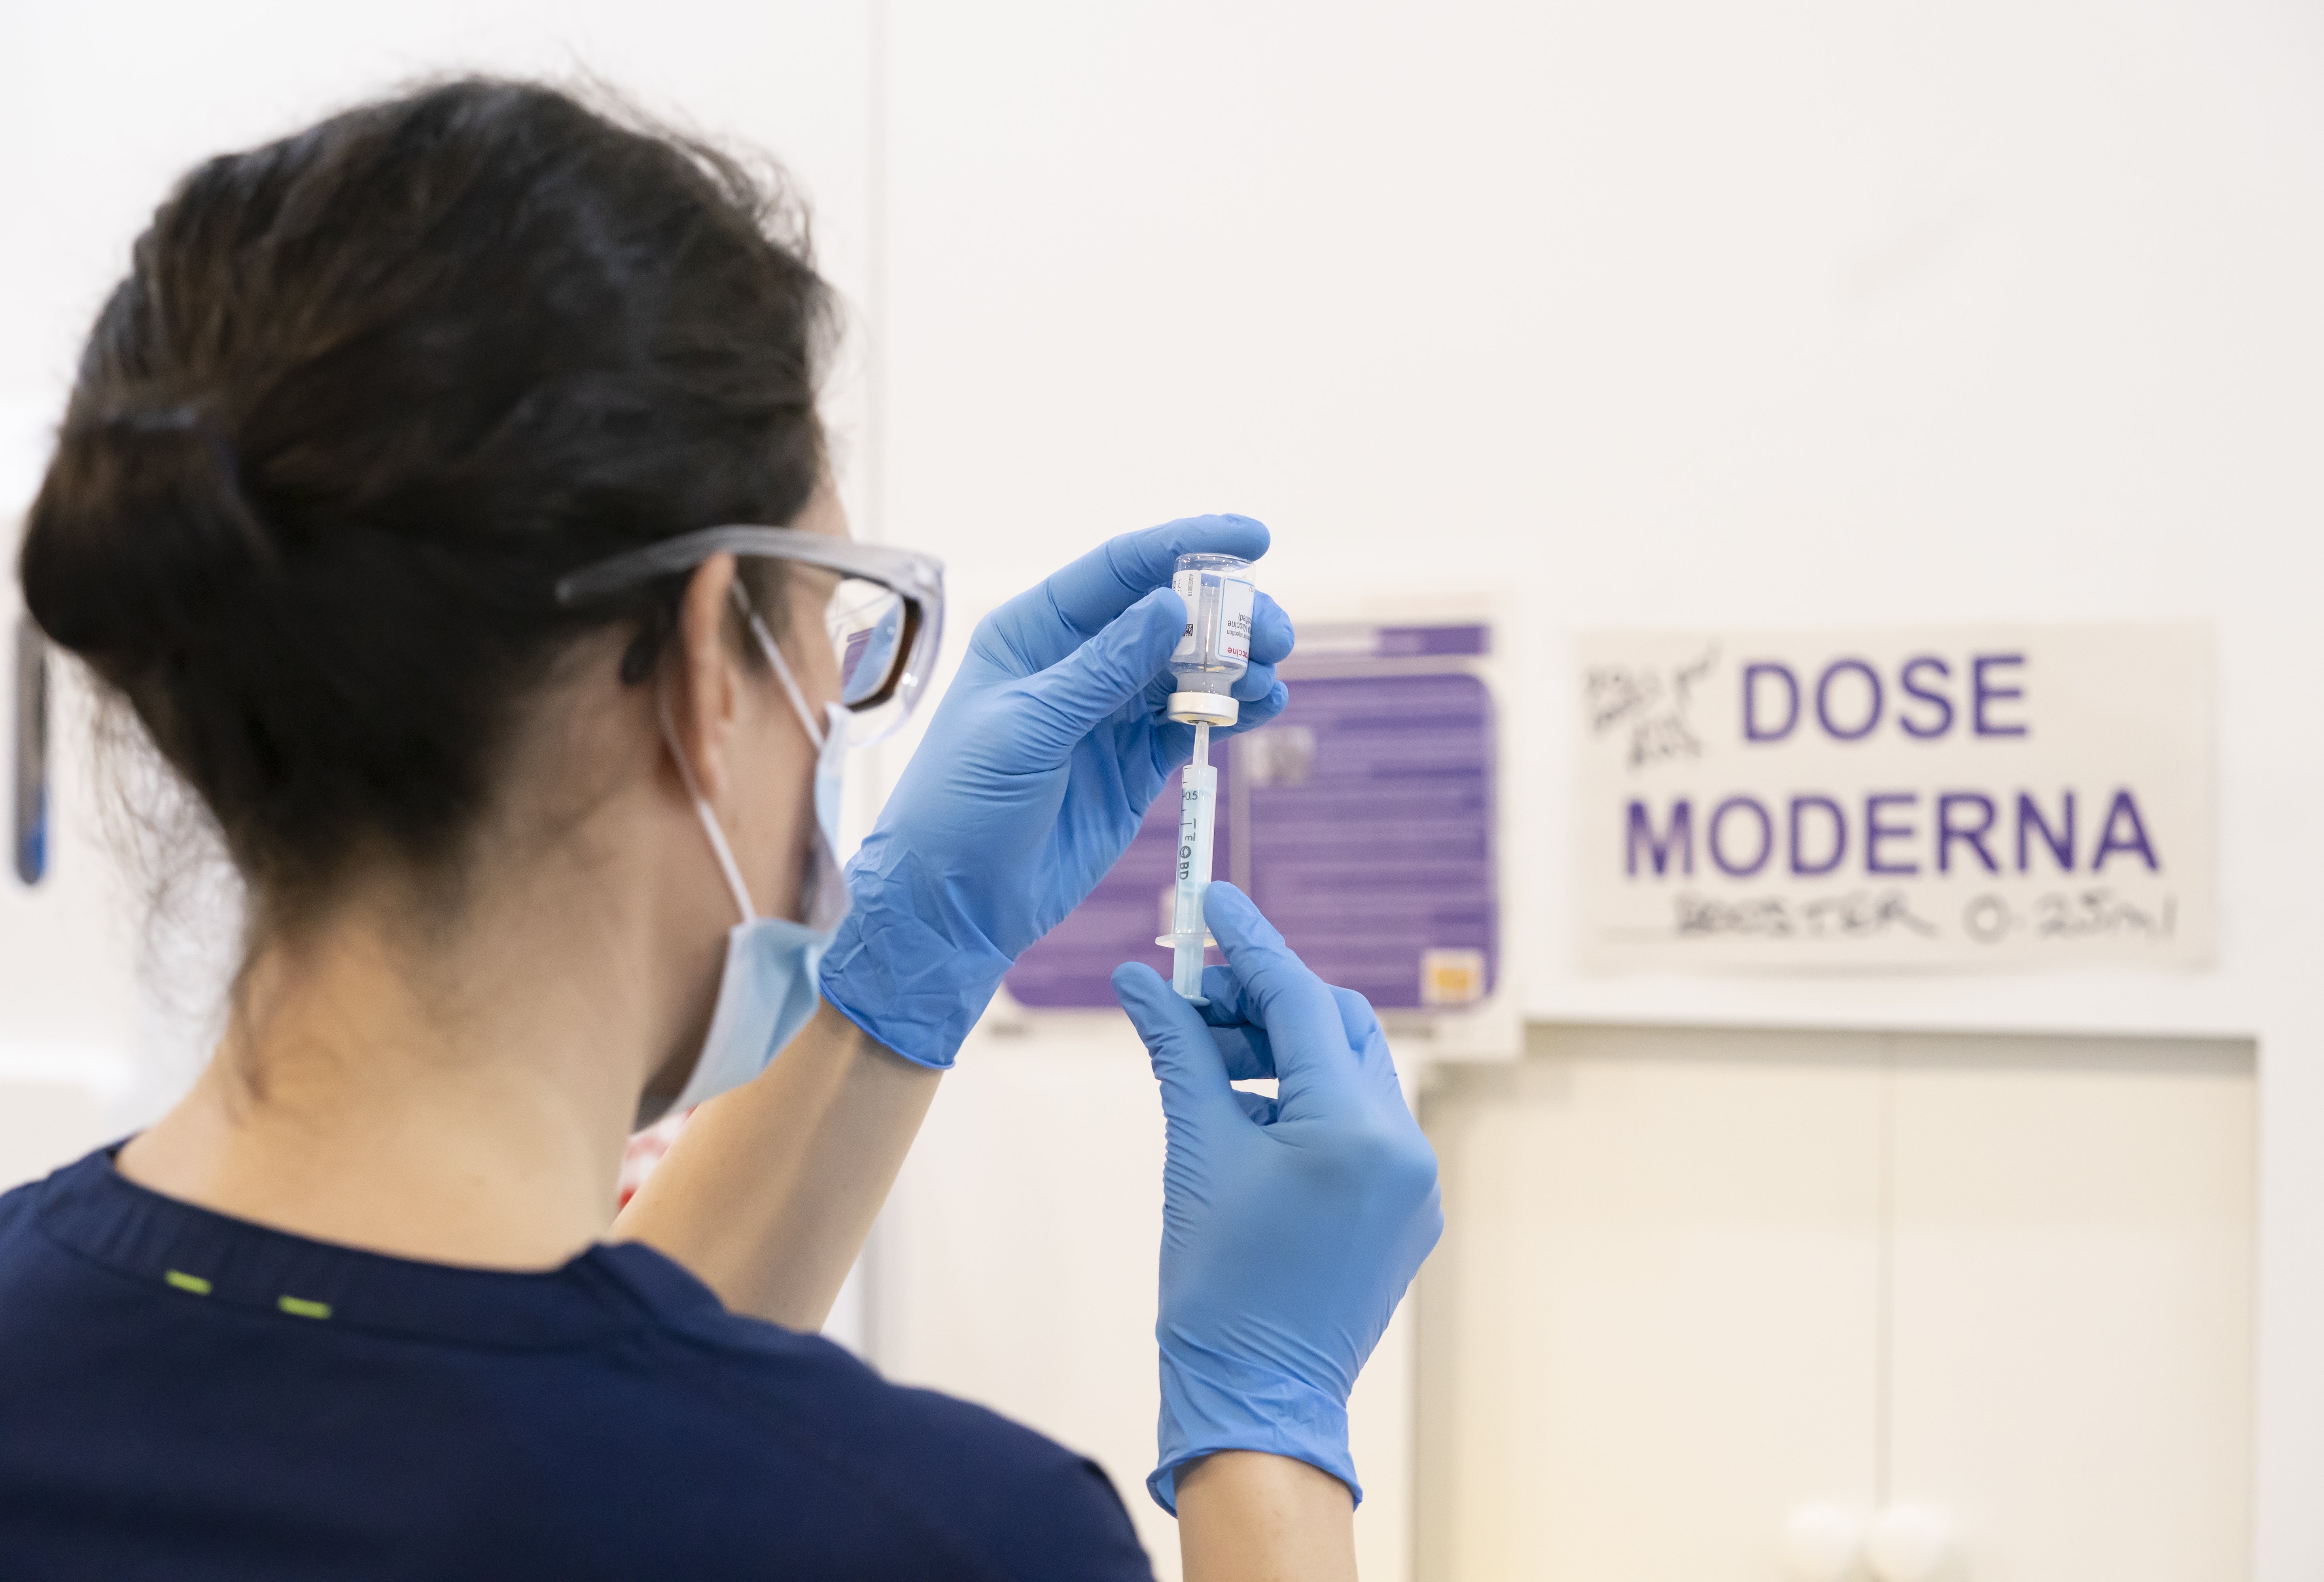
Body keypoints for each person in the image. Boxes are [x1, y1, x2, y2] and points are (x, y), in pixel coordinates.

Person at [0, 79, 1440, 1580]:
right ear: (706, 657)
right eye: (835, 626)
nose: (839, 699)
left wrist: (894, 1001)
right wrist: (1266, 1442)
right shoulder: (943, 1540)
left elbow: (530, 1404)